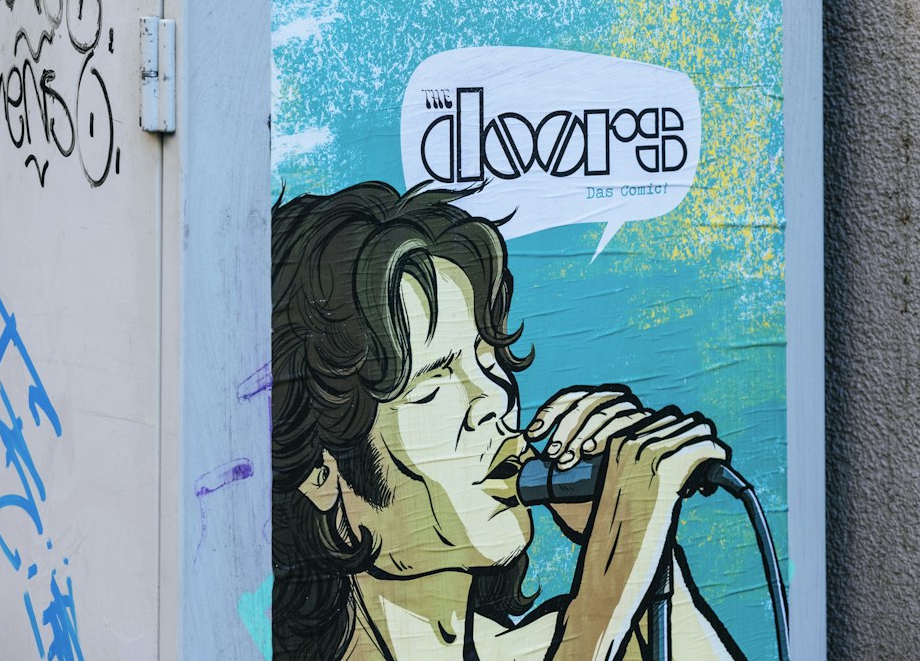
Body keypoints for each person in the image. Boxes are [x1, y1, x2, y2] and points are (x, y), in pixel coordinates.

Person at [271, 182, 745, 661]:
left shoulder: (562, 641)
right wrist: (605, 597)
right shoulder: (593, 629)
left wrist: (651, 565)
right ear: (322, 473)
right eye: (433, 384)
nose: (493, 398)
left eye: (488, 358)